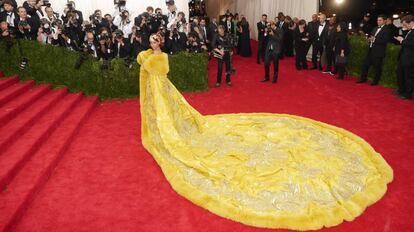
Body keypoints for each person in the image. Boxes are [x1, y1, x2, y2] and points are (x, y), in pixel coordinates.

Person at [136, 33, 392, 232]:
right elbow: (148, 66)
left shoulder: (159, 57)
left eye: (156, 41)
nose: (153, 43)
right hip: (159, 91)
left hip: (162, 87)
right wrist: (144, 57)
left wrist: (146, 58)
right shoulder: (149, 55)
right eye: (151, 41)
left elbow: (159, 69)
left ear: (161, 43)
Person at [357, 15, 390, 85]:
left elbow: (385, 41)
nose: (378, 21)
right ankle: (363, 78)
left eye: (380, 20)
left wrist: (374, 39)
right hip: (371, 50)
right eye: (378, 20)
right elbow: (371, 37)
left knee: (377, 67)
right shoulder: (375, 28)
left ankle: (375, 81)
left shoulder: (387, 30)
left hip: (379, 51)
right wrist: (369, 39)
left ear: (384, 21)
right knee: (365, 65)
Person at [395, 15, 414, 100]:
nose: (404, 26)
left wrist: (402, 40)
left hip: (410, 58)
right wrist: (402, 40)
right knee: (401, 74)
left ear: (410, 22)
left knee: (409, 77)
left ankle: (407, 94)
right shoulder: (409, 31)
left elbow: (412, 44)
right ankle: (401, 90)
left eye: (405, 24)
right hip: (404, 57)